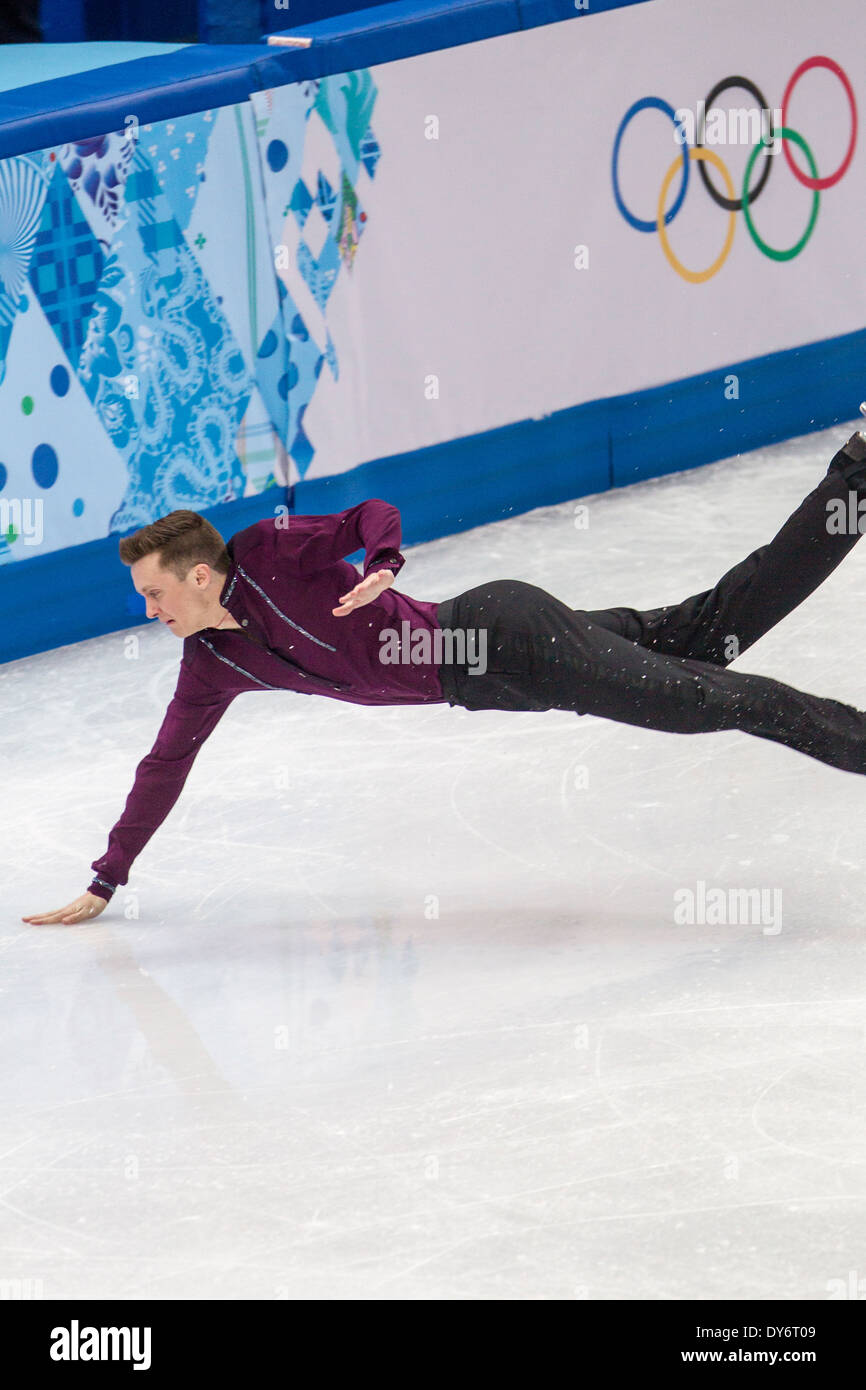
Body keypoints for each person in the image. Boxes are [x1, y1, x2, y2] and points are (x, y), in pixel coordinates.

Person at [22, 422, 866, 926]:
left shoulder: (269, 554)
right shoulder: (212, 662)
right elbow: (164, 763)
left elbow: (366, 513)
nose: (149, 609)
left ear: (197, 574)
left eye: (154, 591)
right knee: (712, 632)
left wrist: (384, 560)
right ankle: (857, 477)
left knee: (704, 702)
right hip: (499, 676)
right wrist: (107, 876)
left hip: (502, 634)